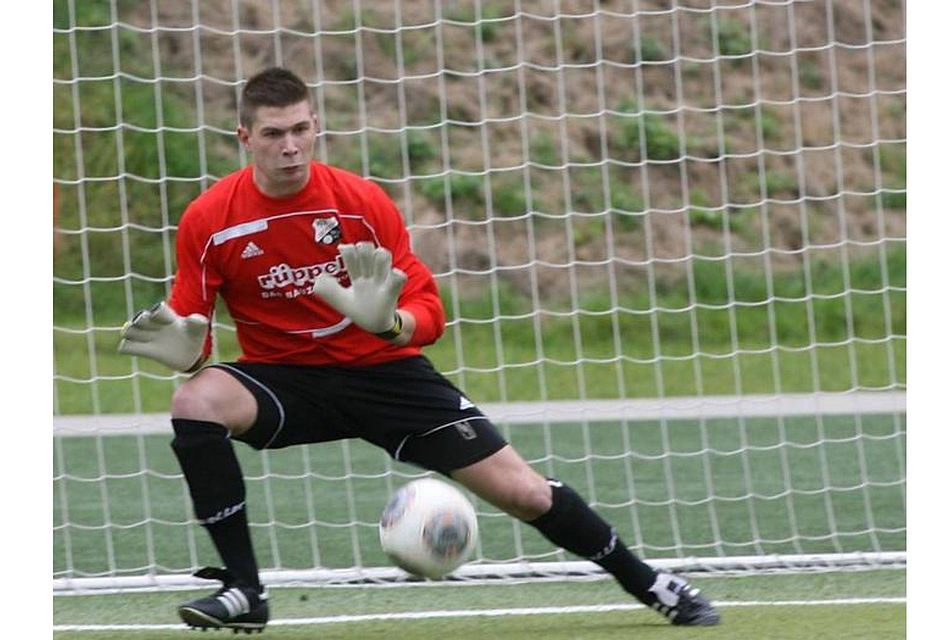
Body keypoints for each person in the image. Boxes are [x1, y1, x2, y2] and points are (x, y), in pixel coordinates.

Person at [118, 66, 719, 633]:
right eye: (273, 134)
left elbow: (430, 311)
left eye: (301, 129)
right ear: (245, 137)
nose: (291, 146)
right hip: (286, 379)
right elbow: (192, 325)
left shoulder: (361, 203)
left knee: (524, 492)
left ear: (316, 125)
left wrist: (388, 324)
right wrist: (186, 352)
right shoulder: (209, 219)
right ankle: (246, 592)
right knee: (195, 399)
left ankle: (653, 585)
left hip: (386, 373)